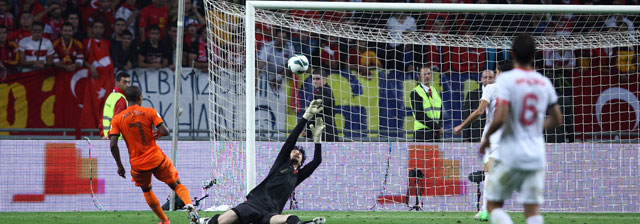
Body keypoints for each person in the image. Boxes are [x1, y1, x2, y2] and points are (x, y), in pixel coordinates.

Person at [479, 34, 563, 224]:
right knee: (532, 210)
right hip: (535, 154)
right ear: (534, 55)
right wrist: (534, 125)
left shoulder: (506, 81)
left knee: (493, 205)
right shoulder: (544, 82)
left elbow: (500, 116)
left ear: (513, 53)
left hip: (511, 151)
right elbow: (557, 119)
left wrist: (486, 138)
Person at [199, 100, 327, 224]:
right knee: (224, 221)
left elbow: (317, 161)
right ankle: (206, 221)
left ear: (301, 163)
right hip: (254, 203)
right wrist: (305, 117)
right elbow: (291, 139)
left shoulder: (298, 176)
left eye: (299, 155)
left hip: (271, 213)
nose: (297, 153)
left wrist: (317, 141)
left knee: (291, 218)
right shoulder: (281, 163)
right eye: (294, 151)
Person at [109, 86, 199, 224]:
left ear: (126, 99)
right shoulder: (149, 112)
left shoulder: (117, 119)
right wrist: (159, 133)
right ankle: (190, 207)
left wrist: (120, 166)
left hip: (138, 165)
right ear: (140, 97)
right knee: (176, 184)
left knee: (147, 190)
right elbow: (165, 130)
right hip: (157, 159)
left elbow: (113, 144)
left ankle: (164, 220)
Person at [453, 62, 513, 221]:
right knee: (490, 173)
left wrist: (462, 125)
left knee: (490, 173)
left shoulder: (491, 88)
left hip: (493, 137)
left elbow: (480, 111)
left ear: (499, 72)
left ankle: (488, 210)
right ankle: (486, 209)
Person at [301, 69, 337, 142]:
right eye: (313, 79)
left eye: (317, 79)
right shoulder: (325, 90)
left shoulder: (323, 92)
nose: (315, 81)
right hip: (325, 131)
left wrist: (307, 130)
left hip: (324, 133)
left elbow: (317, 114)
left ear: (324, 80)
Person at [410, 66, 443, 142]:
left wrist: (439, 127)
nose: (427, 76)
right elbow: (419, 115)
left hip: (435, 133)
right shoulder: (415, 92)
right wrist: (437, 127)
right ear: (419, 77)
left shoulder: (435, 91)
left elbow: (440, 112)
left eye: (429, 73)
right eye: (424, 74)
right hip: (422, 132)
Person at [100, 72, 130, 139]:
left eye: (128, 82)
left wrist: (104, 135)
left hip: (107, 137)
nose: (127, 85)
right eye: (124, 82)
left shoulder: (111, 96)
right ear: (117, 83)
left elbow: (102, 119)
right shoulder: (121, 99)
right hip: (117, 140)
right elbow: (117, 121)